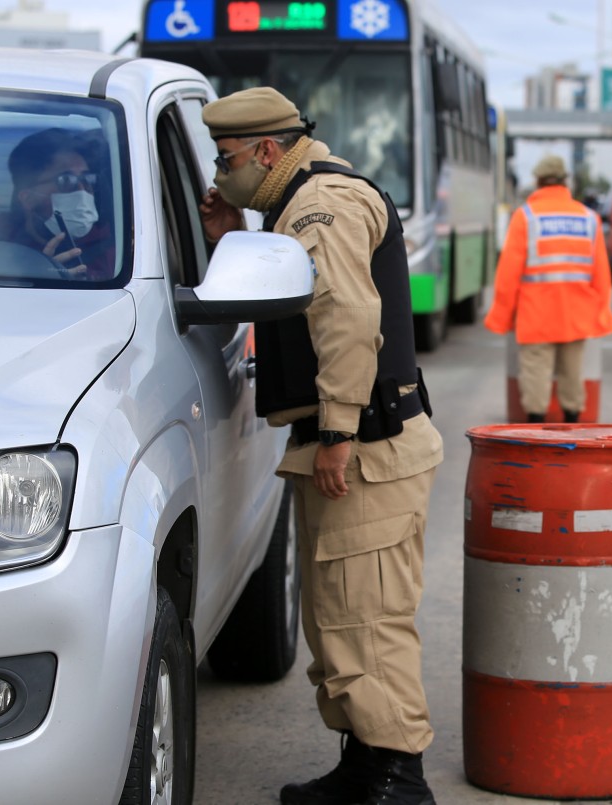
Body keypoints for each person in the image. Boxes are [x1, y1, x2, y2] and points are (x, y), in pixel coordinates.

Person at [197, 87, 442, 805]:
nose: (220, 176)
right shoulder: (294, 205)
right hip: (356, 446)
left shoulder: (318, 207)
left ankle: (397, 782)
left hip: (364, 446)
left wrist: (336, 428)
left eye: (228, 160)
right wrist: (231, 236)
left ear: (268, 151)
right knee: (339, 618)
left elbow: (344, 319)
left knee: (366, 619)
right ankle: (366, 767)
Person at [484, 155, 612, 422]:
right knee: (572, 374)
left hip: (536, 316)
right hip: (576, 315)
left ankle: (535, 430)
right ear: (565, 181)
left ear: (538, 182)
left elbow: (508, 274)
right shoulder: (589, 219)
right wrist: (600, 312)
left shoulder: (526, 217)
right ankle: (572, 428)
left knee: (535, 376)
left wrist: (502, 316)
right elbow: (601, 274)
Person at [6, 127, 115, 280]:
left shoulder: (119, 256)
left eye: (87, 179)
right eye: (66, 180)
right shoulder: (0, 254)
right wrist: (38, 278)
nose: (81, 191)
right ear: (28, 198)